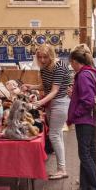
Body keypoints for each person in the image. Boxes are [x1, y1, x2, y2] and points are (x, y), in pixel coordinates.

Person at [24, 45, 71, 180]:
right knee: (57, 135)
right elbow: (45, 86)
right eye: (40, 57)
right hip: (52, 103)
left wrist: (39, 102)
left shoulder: (59, 66)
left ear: (51, 55)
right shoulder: (44, 68)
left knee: (54, 135)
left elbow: (55, 90)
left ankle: (61, 169)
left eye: (45, 57)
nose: (42, 60)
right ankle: (62, 167)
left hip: (60, 102)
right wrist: (30, 86)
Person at [66, 45, 96, 190]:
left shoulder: (83, 75)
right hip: (91, 117)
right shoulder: (90, 73)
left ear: (76, 62)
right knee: (89, 151)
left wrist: (76, 113)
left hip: (85, 118)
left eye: (71, 62)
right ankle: (85, 186)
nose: (71, 65)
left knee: (85, 153)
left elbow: (87, 100)